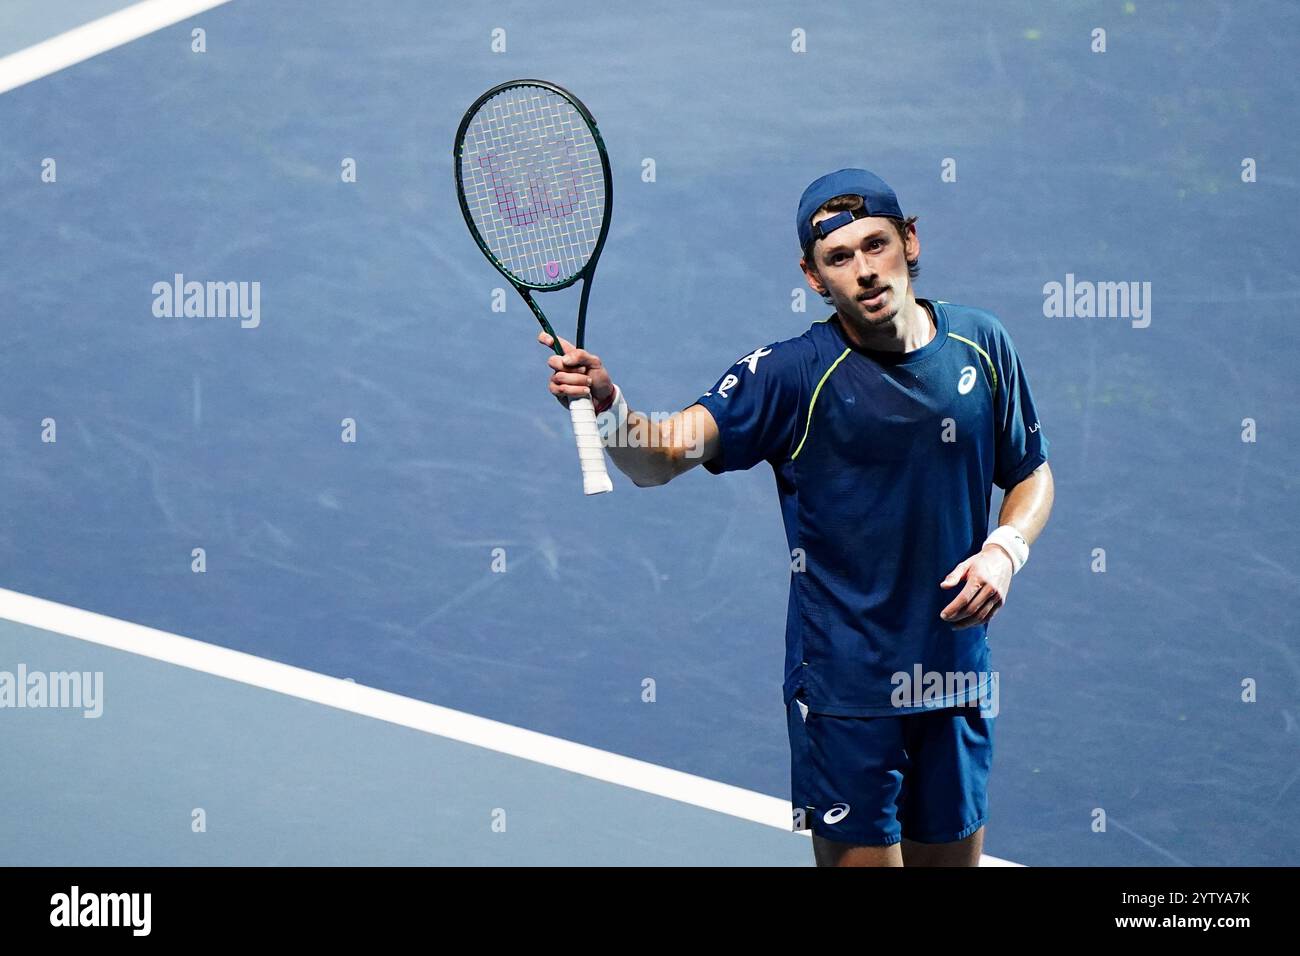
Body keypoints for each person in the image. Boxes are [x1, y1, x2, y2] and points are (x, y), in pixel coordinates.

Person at [539, 168, 1055, 867]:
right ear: (814, 279)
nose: (865, 271)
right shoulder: (789, 377)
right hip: (847, 691)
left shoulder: (981, 345)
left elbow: (1029, 472)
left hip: (954, 678)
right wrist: (609, 408)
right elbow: (659, 456)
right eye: (839, 259)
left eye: (876, 245)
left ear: (910, 240)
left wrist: (1005, 550)